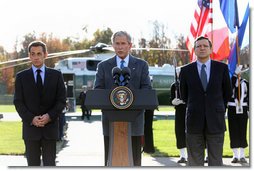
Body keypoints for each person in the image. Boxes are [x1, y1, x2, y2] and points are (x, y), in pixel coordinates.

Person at [94, 31, 152, 166]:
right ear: (113, 45)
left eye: (123, 44)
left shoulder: (141, 65)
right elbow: (98, 90)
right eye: (117, 44)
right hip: (110, 122)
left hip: (135, 121)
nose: (120, 47)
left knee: (135, 161)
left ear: (130, 45)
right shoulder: (103, 66)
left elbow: (146, 89)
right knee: (110, 160)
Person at [179, 36, 232, 166]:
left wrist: (216, 107)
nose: (202, 48)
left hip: (216, 120)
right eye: (198, 46)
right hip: (194, 121)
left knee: (215, 160)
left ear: (210, 49)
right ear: (194, 50)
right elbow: (184, 95)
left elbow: (228, 92)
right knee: (195, 161)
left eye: (205, 46)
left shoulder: (222, 68)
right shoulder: (185, 70)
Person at [13, 41, 66, 166]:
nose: (36, 57)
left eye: (39, 53)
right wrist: (31, 118)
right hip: (30, 130)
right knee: (32, 165)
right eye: (33, 54)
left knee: (50, 165)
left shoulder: (56, 75)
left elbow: (61, 101)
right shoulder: (21, 77)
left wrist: (49, 116)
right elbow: (18, 102)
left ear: (45, 55)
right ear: (29, 56)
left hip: (50, 129)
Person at [227, 65, 249, 163]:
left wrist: (249, 109)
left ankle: (242, 155)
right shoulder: (230, 82)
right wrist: (234, 78)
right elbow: (227, 92)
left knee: (242, 130)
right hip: (232, 108)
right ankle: (235, 155)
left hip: (243, 108)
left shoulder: (246, 83)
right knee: (233, 130)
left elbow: (249, 97)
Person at [170, 67, 187, 163]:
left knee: (189, 133)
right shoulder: (174, 85)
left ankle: (190, 155)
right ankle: (183, 155)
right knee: (179, 132)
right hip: (179, 112)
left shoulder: (189, 83)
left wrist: (185, 101)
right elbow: (171, 98)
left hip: (188, 110)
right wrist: (173, 101)